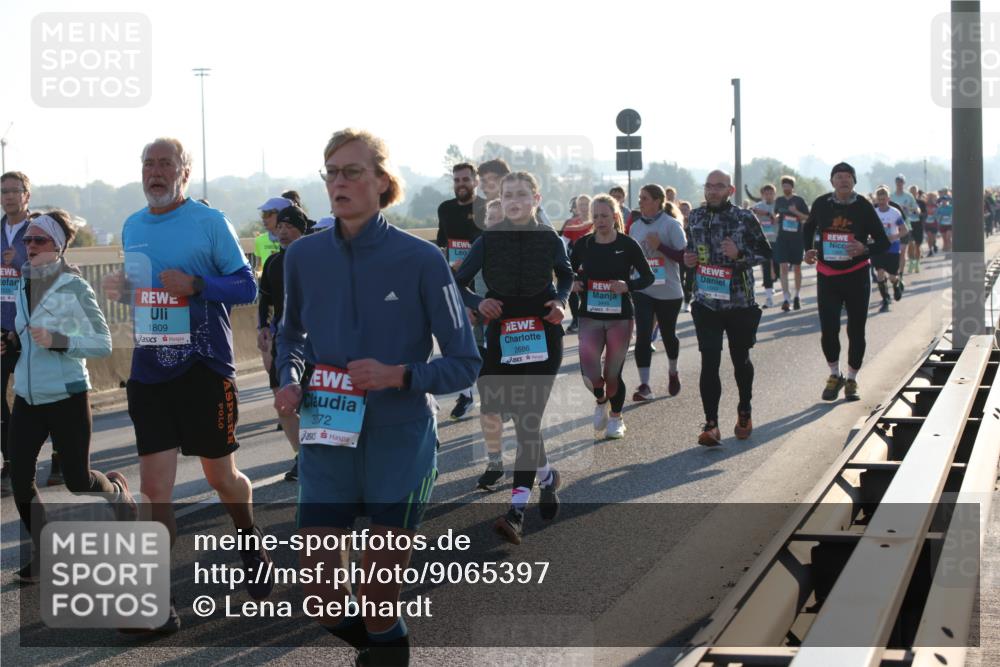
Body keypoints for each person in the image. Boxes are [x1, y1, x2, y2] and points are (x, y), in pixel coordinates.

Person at [274, 129, 480, 665]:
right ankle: (385, 654)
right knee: (319, 596)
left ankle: (384, 649)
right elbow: (291, 334)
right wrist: (289, 376)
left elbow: (465, 361)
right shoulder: (304, 257)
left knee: (377, 597)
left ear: (383, 182)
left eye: (352, 172)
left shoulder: (422, 259)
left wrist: (398, 375)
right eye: (331, 173)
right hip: (327, 432)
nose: (338, 183)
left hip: (400, 438)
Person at [102, 137, 270, 633]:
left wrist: (198, 285)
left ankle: (248, 535)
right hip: (150, 372)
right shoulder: (132, 225)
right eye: (148, 164)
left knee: (222, 478)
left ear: (185, 172)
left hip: (204, 369)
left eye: (165, 164)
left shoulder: (209, 222)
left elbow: (247, 285)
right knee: (155, 489)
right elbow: (145, 296)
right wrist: (123, 291)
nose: (155, 172)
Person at [7, 210, 135, 582]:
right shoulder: (21, 283)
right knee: (20, 477)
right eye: (26, 240)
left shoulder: (75, 287)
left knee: (77, 481)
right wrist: (11, 341)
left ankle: (116, 494)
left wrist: (60, 342)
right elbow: (24, 334)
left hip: (67, 397)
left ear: (57, 246)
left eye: (38, 240)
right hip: (28, 399)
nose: (29, 246)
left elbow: (103, 342)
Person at [454, 171, 573, 545]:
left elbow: (566, 275)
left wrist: (561, 301)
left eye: (522, 194)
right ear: (500, 201)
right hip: (502, 338)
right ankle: (548, 475)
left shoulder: (549, 238)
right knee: (519, 419)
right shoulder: (488, 240)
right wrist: (478, 302)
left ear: (536, 199)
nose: (515, 201)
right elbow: (457, 281)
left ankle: (516, 511)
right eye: (508, 196)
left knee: (526, 419)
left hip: (543, 334)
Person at [684, 171, 770, 446]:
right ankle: (711, 425)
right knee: (709, 361)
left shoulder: (744, 218)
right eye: (708, 186)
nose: (712, 191)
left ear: (730, 190)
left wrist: (740, 255)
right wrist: (688, 258)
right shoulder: (695, 216)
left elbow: (766, 253)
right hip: (706, 302)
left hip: (739, 303)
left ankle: (744, 409)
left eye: (718, 187)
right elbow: (690, 249)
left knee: (740, 359)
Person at [803, 162, 890, 403]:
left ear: (854, 181)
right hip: (827, 274)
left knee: (856, 329)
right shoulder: (821, 203)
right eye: (838, 177)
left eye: (847, 177)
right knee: (829, 329)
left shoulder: (863, 206)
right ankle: (834, 375)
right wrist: (808, 250)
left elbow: (882, 241)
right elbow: (808, 227)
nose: (843, 180)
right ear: (832, 181)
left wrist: (864, 247)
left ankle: (852, 378)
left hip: (856, 273)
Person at [571, 194, 654, 439]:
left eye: (605, 216)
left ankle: (616, 418)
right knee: (589, 373)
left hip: (620, 317)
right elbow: (565, 272)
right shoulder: (583, 245)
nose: (600, 221)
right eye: (595, 216)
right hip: (589, 315)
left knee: (612, 372)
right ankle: (600, 399)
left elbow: (647, 277)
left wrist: (628, 285)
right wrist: (573, 283)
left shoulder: (628, 245)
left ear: (615, 216)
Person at [1, 172, 62, 494]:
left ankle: (60, 458)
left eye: (15, 191)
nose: (9, 197)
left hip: (36, 323)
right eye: (4, 191)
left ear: (27, 195)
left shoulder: (37, 230)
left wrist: (22, 258)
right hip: (3, 326)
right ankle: (12, 462)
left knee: (46, 394)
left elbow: (55, 264)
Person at [258, 205, 308, 481]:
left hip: (314, 340)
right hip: (283, 339)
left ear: (302, 230)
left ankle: (327, 457)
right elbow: (264, 300)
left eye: (289, 226)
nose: (283, 232)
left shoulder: (315, 259)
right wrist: (263, 327)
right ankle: (302, 456)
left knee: (312, 403)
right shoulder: (274, 264)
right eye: (280, 227)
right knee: (283, 404)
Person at [436, 162, 487, 419]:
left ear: (475, 181)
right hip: (453, 278)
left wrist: (470, 263)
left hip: (483, 279)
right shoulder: (445, 209)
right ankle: (466, 394)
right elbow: (442, 243)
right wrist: (449, 264)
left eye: (465, 179)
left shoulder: (486, 208)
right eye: (456, 180)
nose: (461, 184)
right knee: (455, 335)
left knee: (482, 337)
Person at [629, 185, 687, 401]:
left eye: (644, 198)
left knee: (669, 335)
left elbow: (684, 258)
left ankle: (673, 371)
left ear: (657, 201)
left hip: (669, 290)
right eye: (640, 198)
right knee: (643, 335)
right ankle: (645, 385)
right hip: (643, 288)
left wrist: (660, 246)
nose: (640, 202)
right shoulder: (634, 227)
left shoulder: (671, 225)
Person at [773, 176, 810, 311]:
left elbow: (808, 217)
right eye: (784, 186)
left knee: (797, 267)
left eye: (788, 185)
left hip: (796, 238)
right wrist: (776, 218)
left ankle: (797, 296)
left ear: (792, 187)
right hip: (782, 238)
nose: (786, 188)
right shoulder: (779, 200)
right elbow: (777, 214)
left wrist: (796, 212)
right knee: (783, 267)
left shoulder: (799, 200)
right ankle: (786, 298)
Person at [560, 194, 594, 334]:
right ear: (577, 208)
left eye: (587, 204)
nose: (584, 208)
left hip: (593, 266)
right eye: (581, 205)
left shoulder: (596, 222)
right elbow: (563, 242)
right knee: (573, 290)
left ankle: (591, 319)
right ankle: (575, 319)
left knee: (589, 293)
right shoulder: (572, 224)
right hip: (576, 264)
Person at [872, 186, 908, 312]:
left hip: (892, 247)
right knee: (880, 273)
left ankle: (896, 283)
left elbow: (904, 230)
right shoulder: (874, 212)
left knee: (892, 276)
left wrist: (895, 236)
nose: (882, 202)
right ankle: (885, 299)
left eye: (884, 199)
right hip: (878, 247)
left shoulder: (894, 212)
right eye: (879, 199)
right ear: (876, 199)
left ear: (888, 198)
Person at [750, 184, 779, 308]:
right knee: (766, 267)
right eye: (766, 193)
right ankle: (769, 298)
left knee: (777, 267)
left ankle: (773, 279)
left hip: (777, 240)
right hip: (763, 241)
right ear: (762, 195)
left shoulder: (778, 205)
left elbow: (778, 217)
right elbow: (750, 212)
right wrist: (758, 212)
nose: (768, 195)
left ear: (774, 194)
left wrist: (770, 214)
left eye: (771, 193)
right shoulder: (758, 206)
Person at [254, 197, 290, 275]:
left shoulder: (294, 241)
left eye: (267, 214)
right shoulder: (259, 240)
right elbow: (259, 267)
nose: (263, 218)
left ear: (282, 214)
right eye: (262, 214)